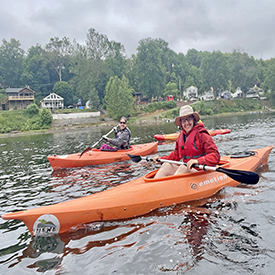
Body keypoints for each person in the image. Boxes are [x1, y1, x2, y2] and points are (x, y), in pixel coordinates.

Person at [153, 105, 220, 178]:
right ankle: (153, 187)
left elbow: (215, 156)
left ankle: (172, 186)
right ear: (181, 123)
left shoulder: (202, 135)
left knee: (184, 167)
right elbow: (176, 155)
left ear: (193, 120)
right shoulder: (181, 137)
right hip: (188, 170)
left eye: (189, 119)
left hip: (202, 172)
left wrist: (198, 161)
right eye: (184, 121)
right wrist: (161, 159)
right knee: (166, 165)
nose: (187, 123)